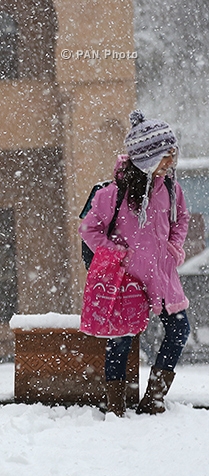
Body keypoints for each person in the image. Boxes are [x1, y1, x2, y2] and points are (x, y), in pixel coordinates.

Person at [80, 110, 190, 417]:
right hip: (127, 278)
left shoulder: (171, 188)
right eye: (165, 156)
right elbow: (89, 229)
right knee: (121, 339)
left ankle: (153, 400)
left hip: (163, 276)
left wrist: (175, 246)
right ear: (147, 158)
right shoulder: (111, 195)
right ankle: (115, 406)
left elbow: (181, 219)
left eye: (172, 154)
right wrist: (117, 253)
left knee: (180, 331)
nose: (170, 162)